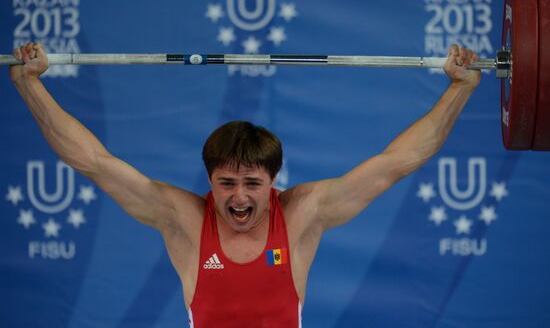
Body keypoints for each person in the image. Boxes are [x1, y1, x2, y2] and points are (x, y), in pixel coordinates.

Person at [9, 42, 481, 327]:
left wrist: (460, 88)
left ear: (274, 180)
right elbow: (93, 161)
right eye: (226, 182)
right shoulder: (183, 220)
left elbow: (399, 159)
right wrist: (31, 85)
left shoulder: (303, 213)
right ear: (209, 180)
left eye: (252, 183)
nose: (239, 197)